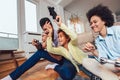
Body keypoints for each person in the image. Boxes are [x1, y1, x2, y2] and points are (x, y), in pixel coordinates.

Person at [46, 15, 119, 80]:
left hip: (87, 58)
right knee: (87, 71)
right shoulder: (61, 49)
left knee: (98, 64)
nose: (59, 39)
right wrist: (49, 35)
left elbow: (74, 36)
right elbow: (50, 49)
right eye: (58, 37)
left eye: (61, 36)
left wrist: (61, 24)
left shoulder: (72, 43)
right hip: (79, 65)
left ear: (67, 38)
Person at [1, 17, 77, 80]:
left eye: (47, 28)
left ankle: (55, 66)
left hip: (66, 59)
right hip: (57, 57)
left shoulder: (59, 34)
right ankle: (11, 77)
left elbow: (59, 57)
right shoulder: (46, 35)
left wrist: (48, 41)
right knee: (39, 52)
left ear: (51, 26)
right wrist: (37, 45)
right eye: (44, 30)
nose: (46, 31)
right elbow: (42, 50)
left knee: (67, 75)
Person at [83, 4, 120, 80]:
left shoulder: (117, 30)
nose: (92, 25)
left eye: (95, 22)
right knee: (85, 61)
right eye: (91, 23)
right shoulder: (97, 40)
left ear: (104, 21)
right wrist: (93, 51)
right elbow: (104, 59)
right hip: (113, 64)